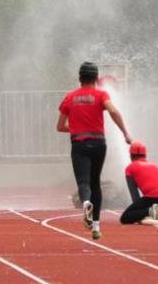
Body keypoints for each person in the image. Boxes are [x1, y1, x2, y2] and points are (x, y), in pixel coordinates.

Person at [56, 61, 133, 241]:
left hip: (79, 144)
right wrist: (125, 133)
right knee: (96, 182)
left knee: (83, 183)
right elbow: (113, 111)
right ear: (96, 79)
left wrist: (75, 127)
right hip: (99, 143)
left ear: (79, 79)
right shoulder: (101, 95)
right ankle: (96, 226)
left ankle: (86, 204)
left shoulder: (70, 97)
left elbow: (59, 126)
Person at [119, 142, 158, 224]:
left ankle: (151, 211)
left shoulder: (129, 169)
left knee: (125, 218)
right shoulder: (153, 165)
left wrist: (140, 213)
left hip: (155, 197)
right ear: (145, 155)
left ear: (131, 155)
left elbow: (134, 194)